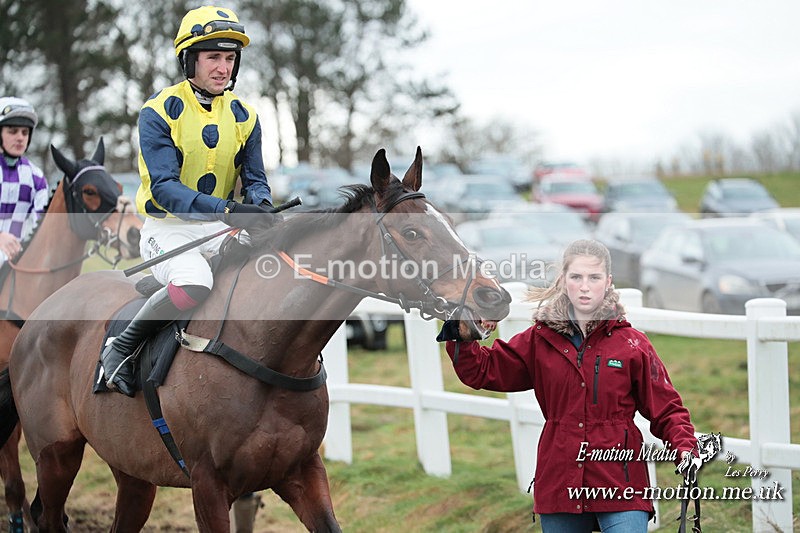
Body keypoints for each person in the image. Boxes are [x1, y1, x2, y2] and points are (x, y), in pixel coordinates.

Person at [436, 239, 697, 532]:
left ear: (608, 282)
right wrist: (463, 329)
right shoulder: (539, 340)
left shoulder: (633, 345)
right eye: (576, 277)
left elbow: (666, 408)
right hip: (559, 482)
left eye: (594, 277)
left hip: (620, 483)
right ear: (563, 280)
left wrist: (685, 448)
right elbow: (482, 370)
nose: (585, 287)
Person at [100, 5, 278, 398]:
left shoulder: (246, 116)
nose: (223, 68)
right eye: (213, 57)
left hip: (219, 227)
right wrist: (228, 210)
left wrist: (261, 207)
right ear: (189, 60)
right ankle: (120, 347)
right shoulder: (158, 111)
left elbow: (255, 180)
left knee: (273, 269)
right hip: (167, 228)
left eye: (229, 58)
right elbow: (165, 188)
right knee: (196, 282)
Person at [0, 97, 49, 265]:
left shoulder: (36, 178)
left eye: (25, 132)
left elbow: (39, 225)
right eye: (13, 131)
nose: (20, 138)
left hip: (18, 261)